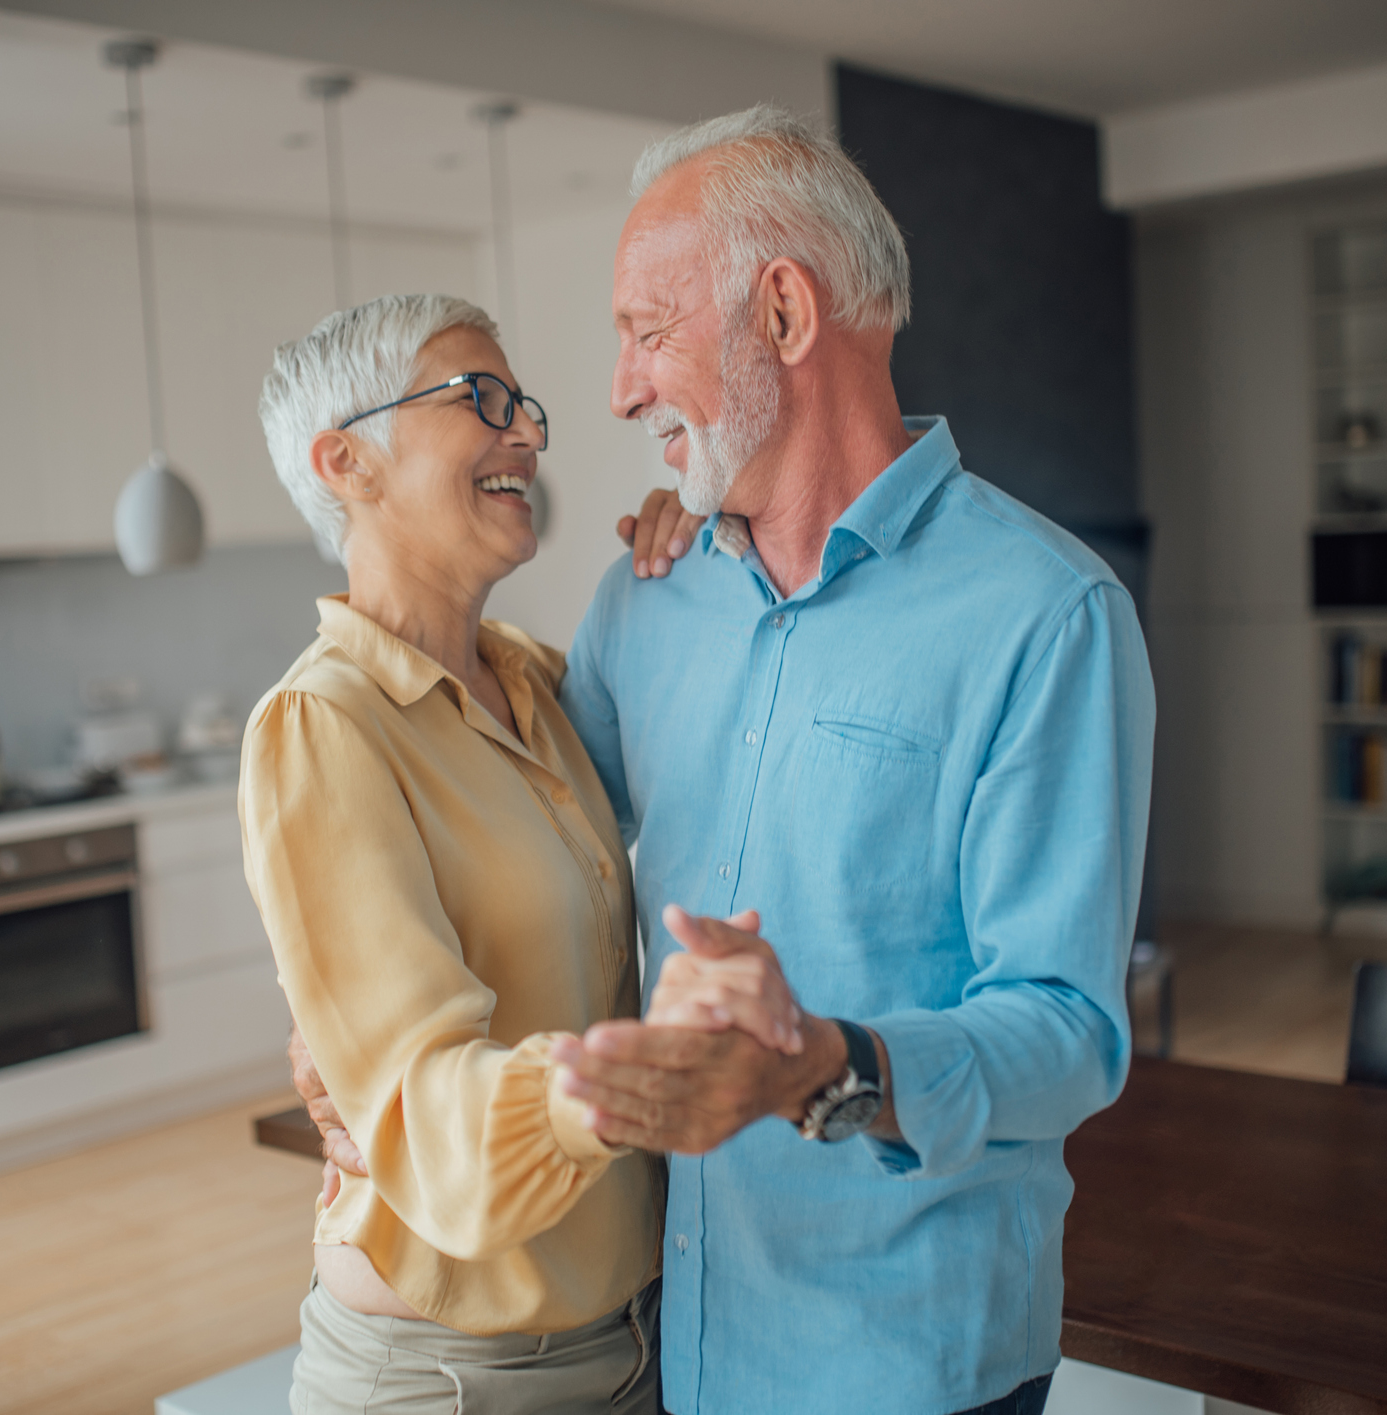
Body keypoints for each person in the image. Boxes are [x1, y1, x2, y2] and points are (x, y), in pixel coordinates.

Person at [297, 105, 1154, 1415]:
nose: (617, 388)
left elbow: (1068, 1028)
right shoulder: (644, 598)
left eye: (646, 330)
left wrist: (828, 1062)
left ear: (782, 314)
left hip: (907, 1364)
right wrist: (348, 1041)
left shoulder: (1044, 613)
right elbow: (531, 855)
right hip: (671, 1342)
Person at [241, 292, 709, 1415]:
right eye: (481, 399)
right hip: (448, 1382)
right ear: (346, 460)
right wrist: (637, 1073)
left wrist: (699, 562)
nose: (532, 432)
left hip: (636, 1341)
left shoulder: (537, 685)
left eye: (524, 403)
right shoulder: (325, 724)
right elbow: (422, 1103)